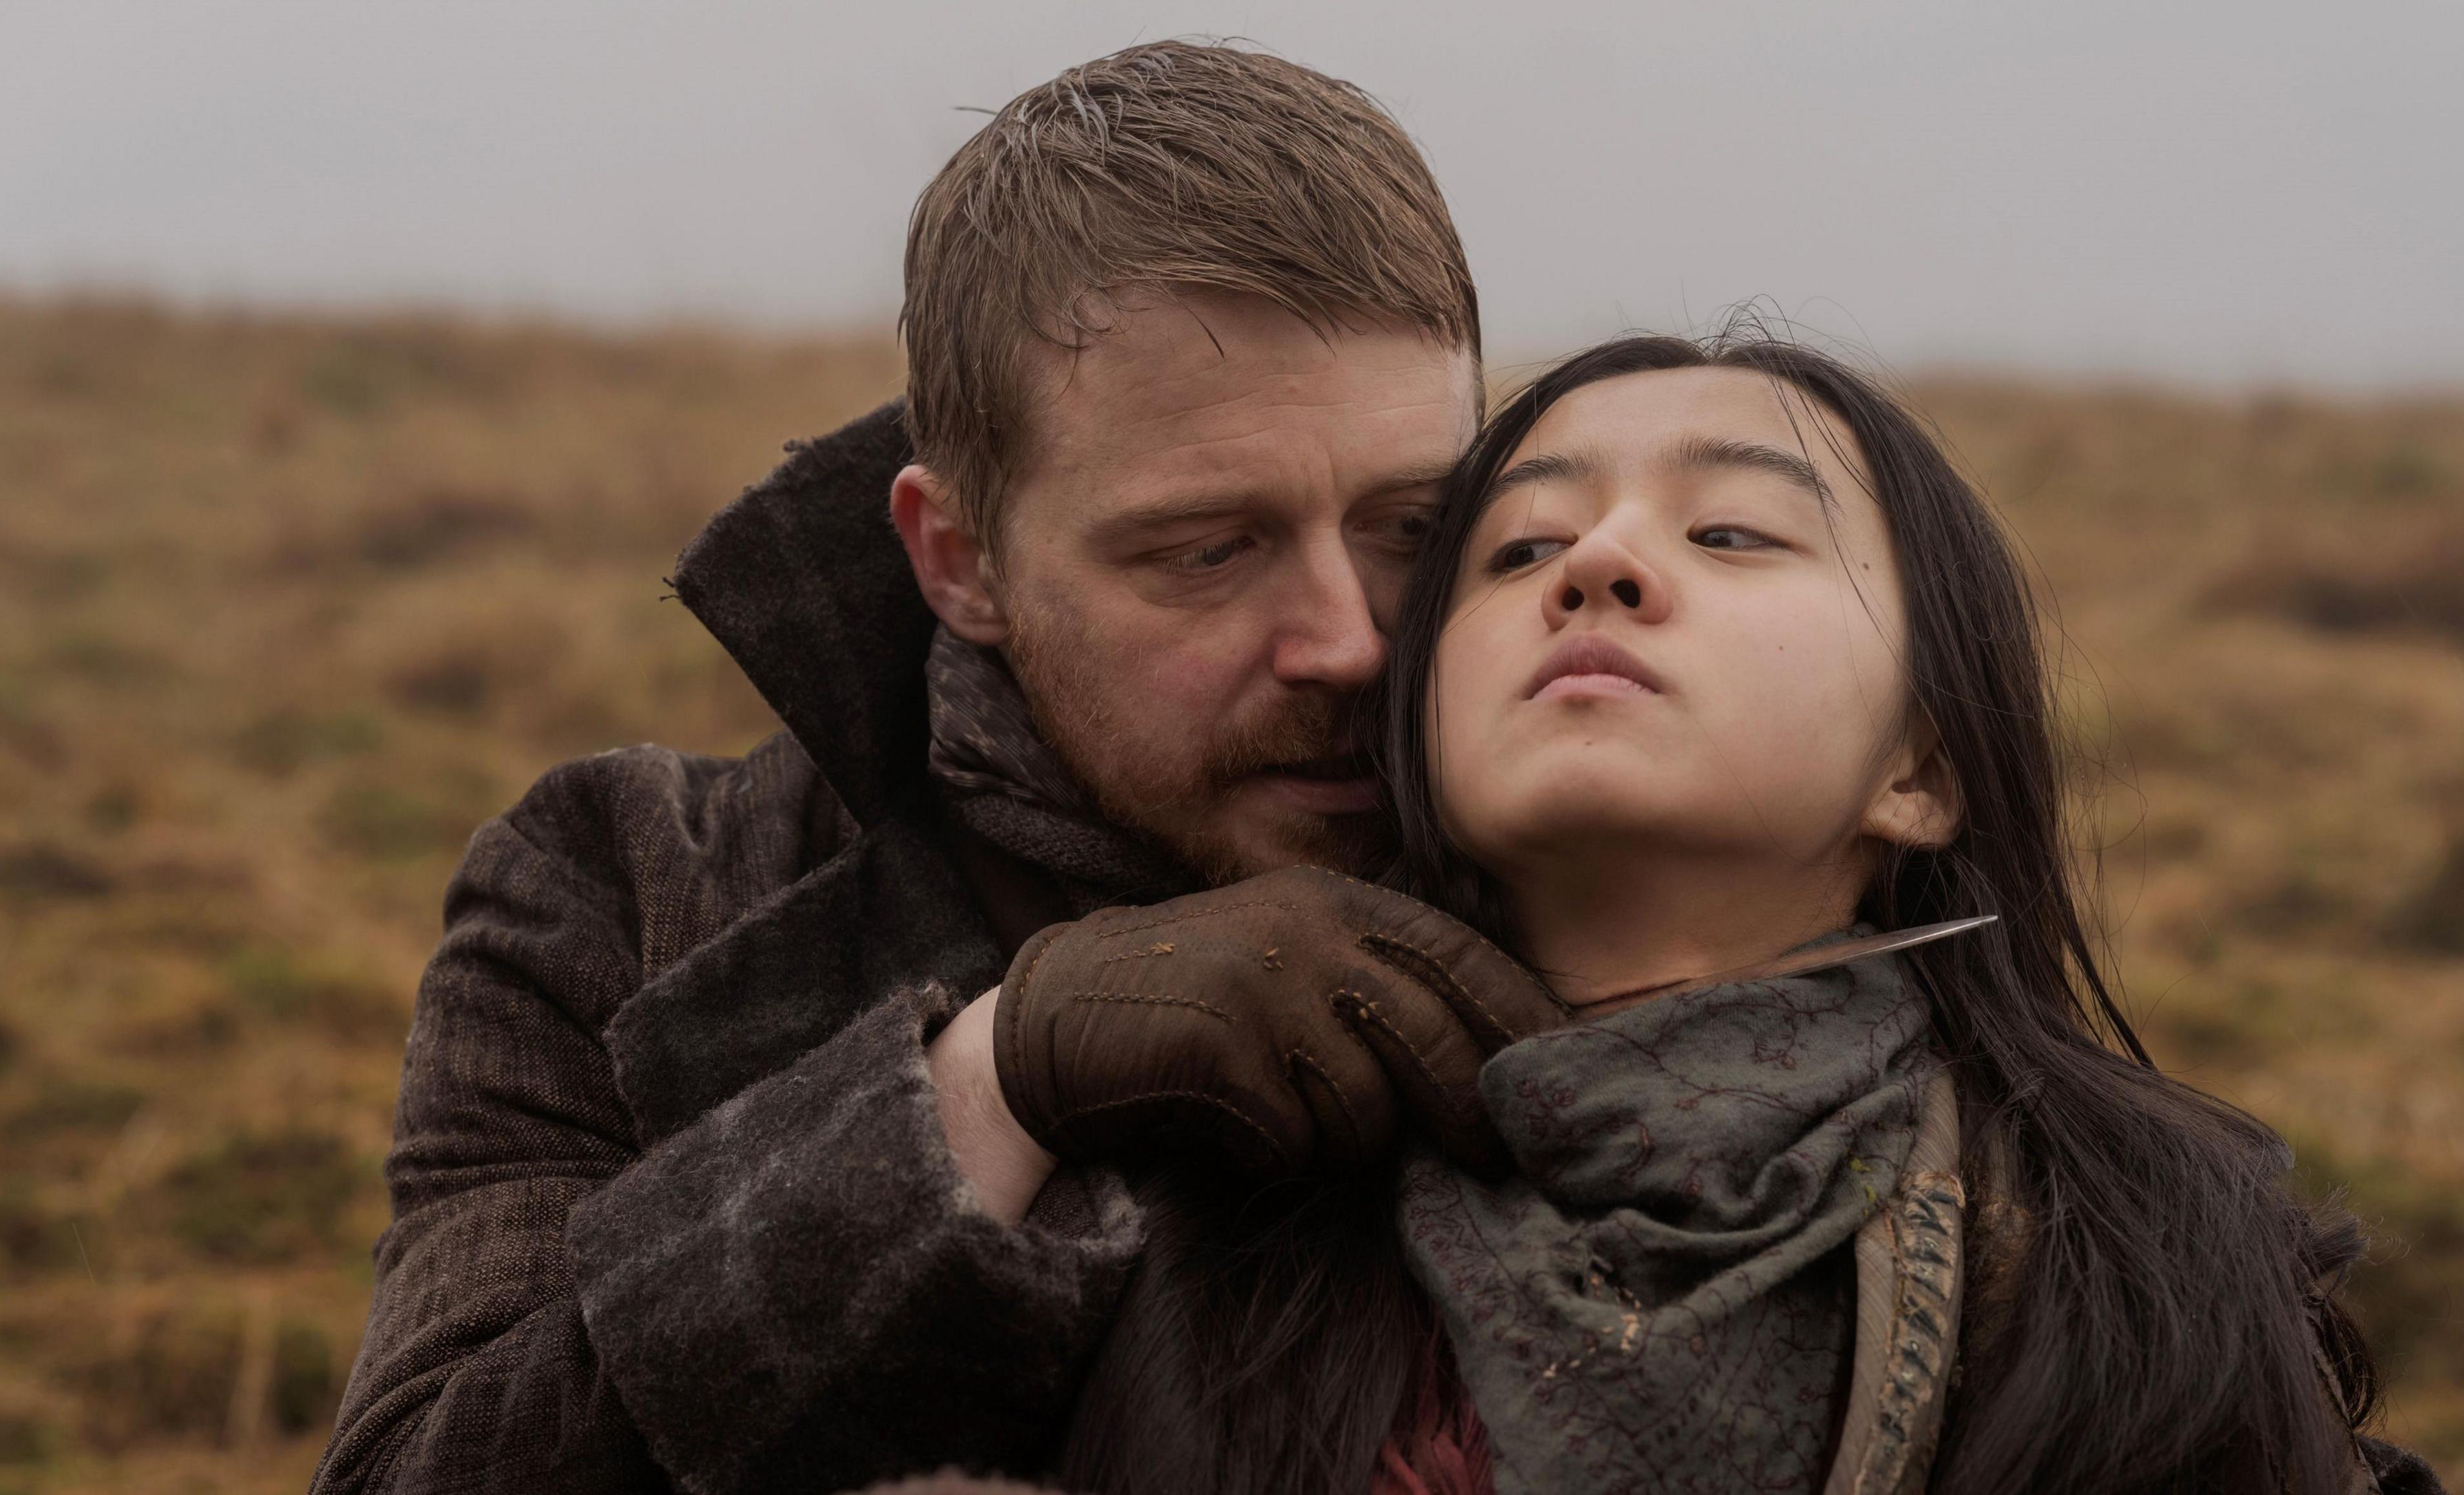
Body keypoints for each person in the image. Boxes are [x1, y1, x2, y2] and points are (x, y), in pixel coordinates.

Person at [312, 42, 1560, 1495]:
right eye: (1206, 551)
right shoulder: (627, 887)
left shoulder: (1662, 849)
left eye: (1413, 524)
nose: (1348, 645)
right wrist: (993, 1082)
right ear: (959, 559)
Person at [982, 331, 2447, 1492]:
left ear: (1921, 764)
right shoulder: (1210, 1183)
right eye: (1514, 550)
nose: (1598, 564)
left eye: (1735, 533)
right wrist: (999, 1069)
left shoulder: (2128, 1261)